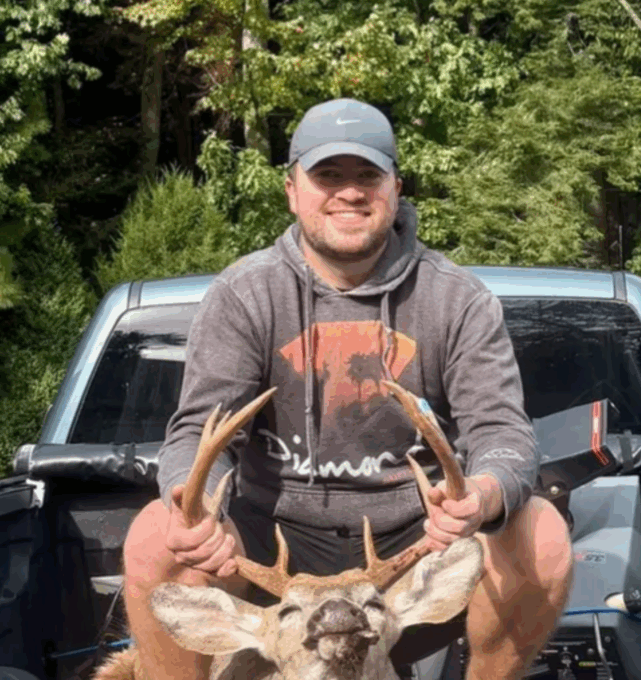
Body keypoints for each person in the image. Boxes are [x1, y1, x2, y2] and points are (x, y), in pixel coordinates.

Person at [123, 98, 573, 680]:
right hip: (271, 550)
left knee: (541, 534)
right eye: (328, 175)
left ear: (395, 189)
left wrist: (479, 498)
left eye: (367, 175)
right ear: (292, 191)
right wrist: (197, 504)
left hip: (413, 554)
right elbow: (197, 431)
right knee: (157, 537)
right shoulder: (245, 294)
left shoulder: (456, 299)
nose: (350, 192)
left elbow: (501, 432)